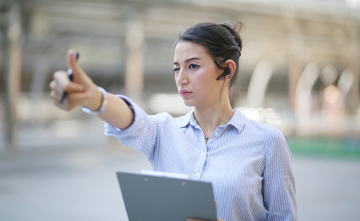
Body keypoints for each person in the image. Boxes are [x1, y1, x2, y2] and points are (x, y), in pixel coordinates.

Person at [50, 22, 297, 221]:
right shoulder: (164, 131)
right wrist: (95, 98)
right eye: (176, 68)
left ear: (227, 70)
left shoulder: (267, 141)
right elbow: (130, 120)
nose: (181, 78)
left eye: (193, 66)